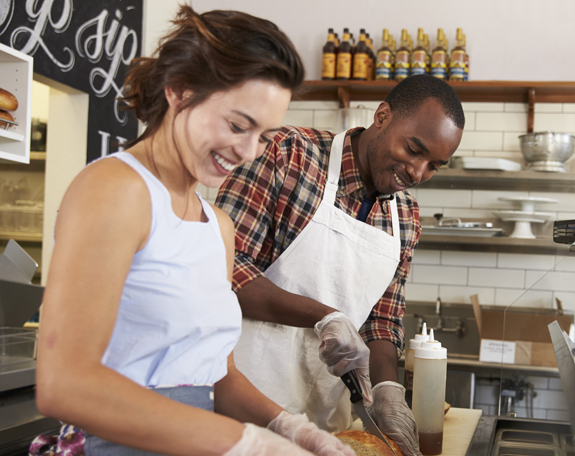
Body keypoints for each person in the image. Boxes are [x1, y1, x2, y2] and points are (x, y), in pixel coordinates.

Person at [30, 7, 355, 456]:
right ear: (180, 91)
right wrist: (245, 443)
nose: (247, 151)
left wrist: (290, 427)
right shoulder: (116, 189)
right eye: (238, 125)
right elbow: (64, 385)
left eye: (263, 135)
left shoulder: (216, 227)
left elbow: (215, 376)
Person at [215, 74, 465, 456]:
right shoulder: (288, 154)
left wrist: (386, 389)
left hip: (328, 429)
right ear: (382, 116)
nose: (417, 173)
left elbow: (382, 320)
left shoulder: (407, 215)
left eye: (434, 165)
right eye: (414, 149)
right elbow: (223, 269)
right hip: (241, 408)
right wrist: (325, 317)